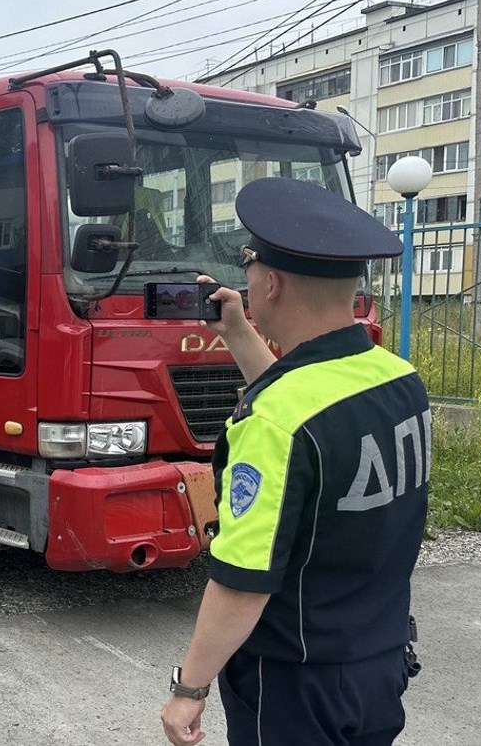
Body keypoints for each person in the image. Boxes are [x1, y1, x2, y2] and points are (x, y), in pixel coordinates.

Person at [160, 177, 430, 745]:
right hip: (376, 662)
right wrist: (236, 330)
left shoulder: (275, 425)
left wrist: (190, 688)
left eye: (250, 263)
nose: (248, 276)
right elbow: (307, 410)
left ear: (272, 282)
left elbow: (243, 583)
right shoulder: (397, 378)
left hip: (295, 683)